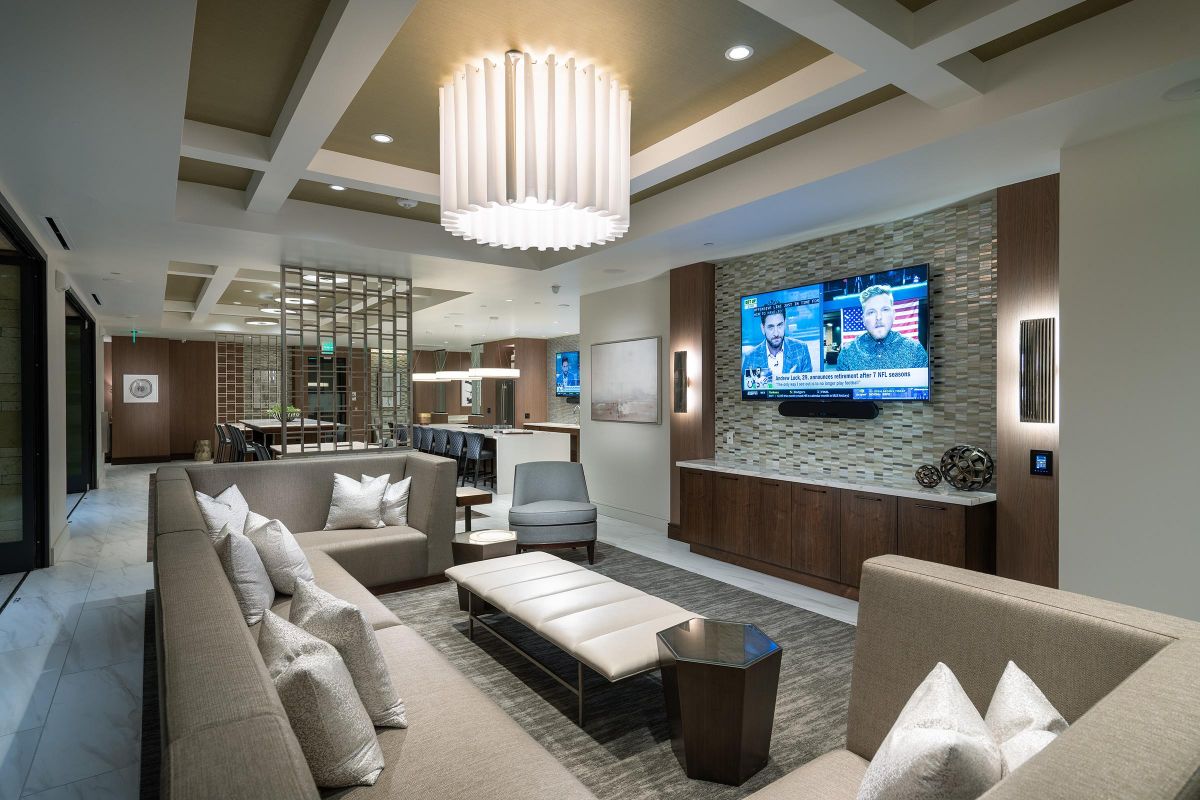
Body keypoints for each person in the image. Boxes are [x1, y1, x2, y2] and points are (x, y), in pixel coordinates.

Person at [836, 285, 928, 370]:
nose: (879, 317)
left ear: (893, 315)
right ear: (863, 319)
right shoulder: (847, 353)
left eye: (885, 310)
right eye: (871, 312)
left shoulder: (915, 350)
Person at [741, 303, 812, 378]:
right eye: (771, 327)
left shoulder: (801, 349)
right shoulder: (750, 357)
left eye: (779, 325)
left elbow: (808, 387)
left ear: (785, 324)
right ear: (763, 328)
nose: (776, 333)